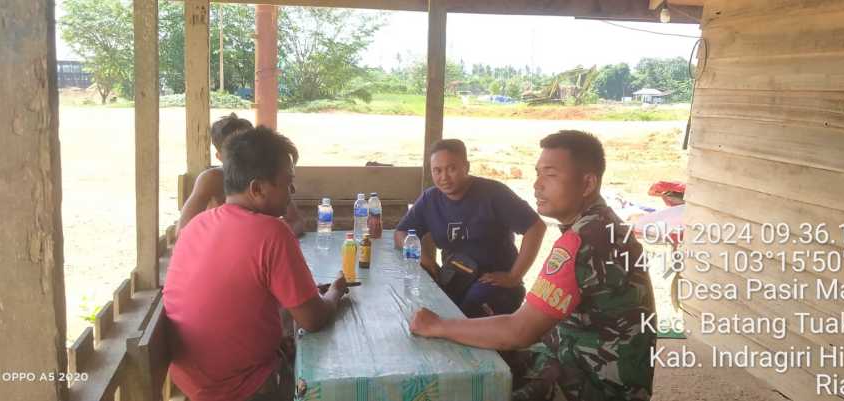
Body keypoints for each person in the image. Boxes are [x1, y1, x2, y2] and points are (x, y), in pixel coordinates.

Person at [409, 131, 656, 401]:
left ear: (587, 184)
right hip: (586, 358)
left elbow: (518, 331)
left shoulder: (581, 241)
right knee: (487, 355)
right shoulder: (603, 223)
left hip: (594, 383)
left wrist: (439, 325)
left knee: (469, 382)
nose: (537, 185)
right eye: (537, 174)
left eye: (550, 175)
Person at [164, 127, 348, 401]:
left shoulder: (197, 225)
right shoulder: (272, 232)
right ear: (257, 188)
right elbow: (313, 320)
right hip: (240, 389)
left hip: (194, 382)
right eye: (288, 183)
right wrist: (335, 294)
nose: (292, 191)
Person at [395, 139, 546, 317]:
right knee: (415, 306)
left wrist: (514, 276)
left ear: (466, 166)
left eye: (451, 169)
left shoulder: (493, 193)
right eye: (437, 170)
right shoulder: (430, 199)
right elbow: (401, 233)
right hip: (454, 278)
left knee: (466, 313)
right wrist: (424, 259)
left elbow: (536, 227)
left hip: (493, 283)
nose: (444, 177)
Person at [177, 113, 304, 236]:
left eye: (251, 149)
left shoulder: (267, 179)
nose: (244, 157)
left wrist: (268, 240)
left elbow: (295, 221)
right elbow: (183, 230)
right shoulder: (212, 179)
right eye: (234, 151)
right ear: (219, 156)